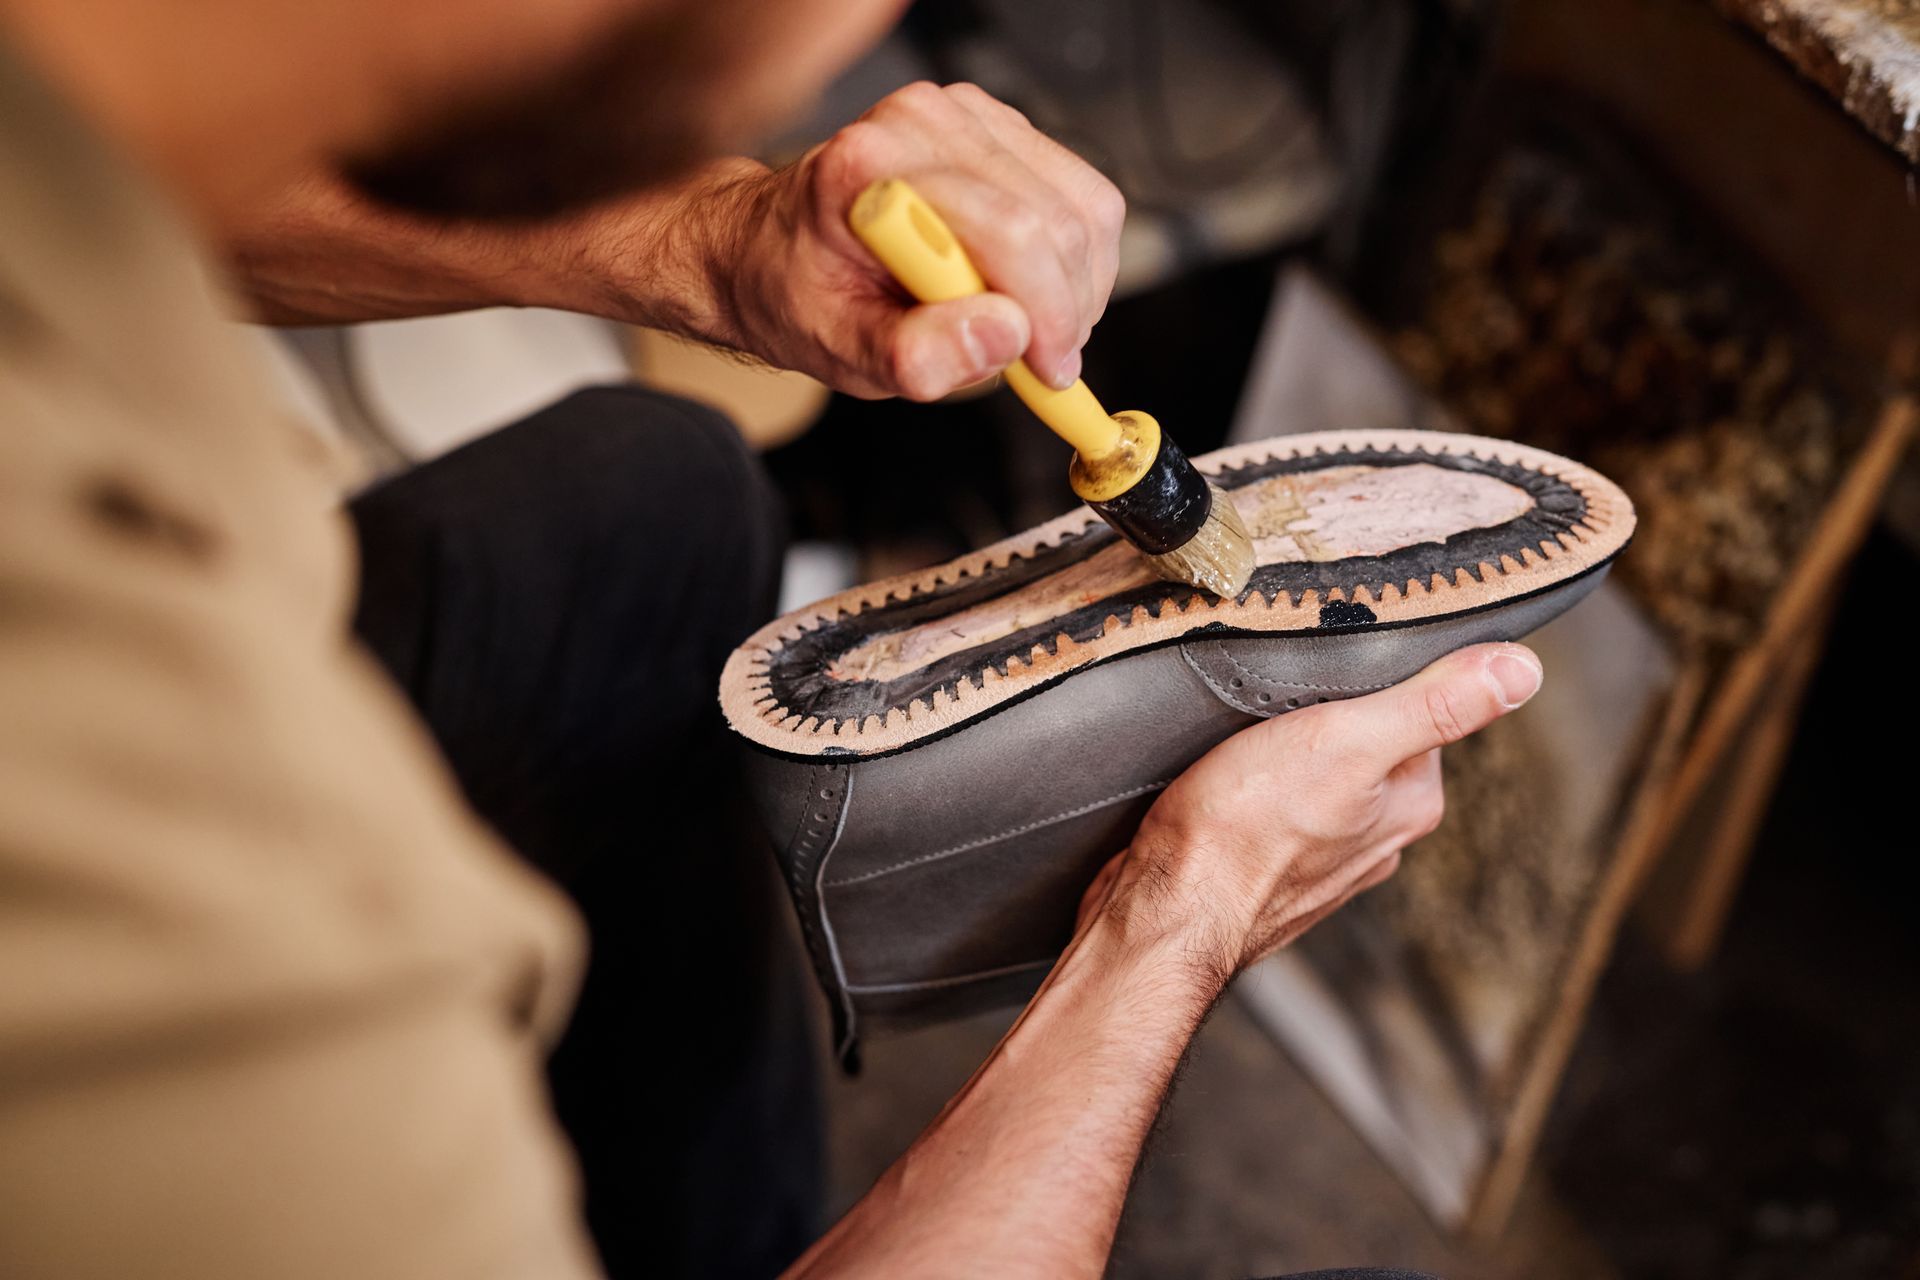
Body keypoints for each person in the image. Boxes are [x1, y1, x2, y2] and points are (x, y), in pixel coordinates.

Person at [0, 0, 1545, 1276]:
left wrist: (706, 236)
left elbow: (135, 169)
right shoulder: (169, 935)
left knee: (640, 505)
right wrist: (1175, 923)